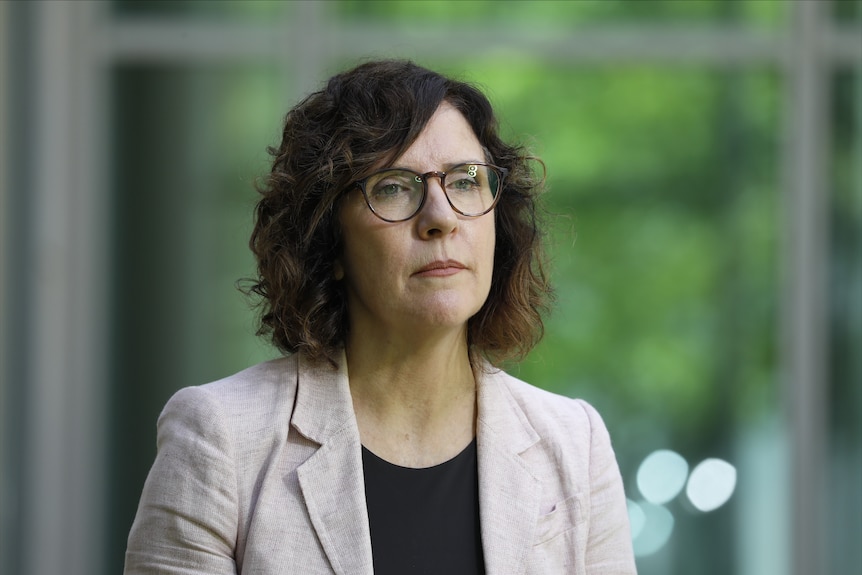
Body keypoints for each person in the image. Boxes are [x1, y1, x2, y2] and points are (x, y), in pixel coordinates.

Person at [124, 59, 636, 575]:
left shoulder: (574, 443)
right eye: (393, 186)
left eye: (466, 181)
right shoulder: (221, 438)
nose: (440, 217)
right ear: (328, 241)